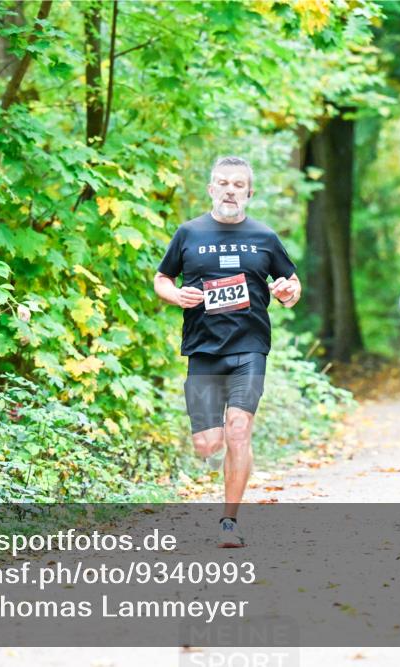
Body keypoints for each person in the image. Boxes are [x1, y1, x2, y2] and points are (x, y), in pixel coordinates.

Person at [154, 156, 301, 547]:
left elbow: (291, 283)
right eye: (223, 183)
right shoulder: (189, 233)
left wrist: (287, 292)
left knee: (238, 430)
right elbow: (162, 277)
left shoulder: (264, 236)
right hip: (203, 349)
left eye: (238, 185)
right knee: (208, 443)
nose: (230, 190)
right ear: (211, 189)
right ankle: (233, 454)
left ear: (249, 192)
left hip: (249, 347)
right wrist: (175, 295)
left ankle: (229, 521)